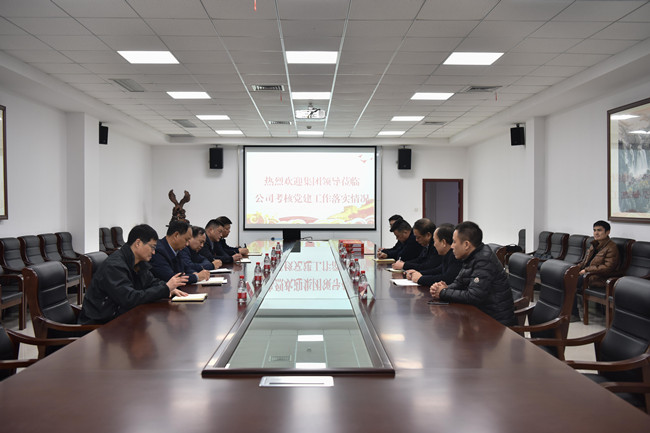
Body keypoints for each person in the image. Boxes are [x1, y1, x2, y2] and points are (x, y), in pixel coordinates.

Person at [78, 224, 189, 324]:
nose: (154, 252)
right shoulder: (114, 266)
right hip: (101, 325)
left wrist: (168, 288)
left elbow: (151, 282)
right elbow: (129, 298)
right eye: (152, 247)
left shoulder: (139, 262)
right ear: (138, 243)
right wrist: (165, 288)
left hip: (121, 316)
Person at [430, 221, 515, 326]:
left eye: (454, 242)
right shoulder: (471, 256)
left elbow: (473, 296)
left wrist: (443, 292)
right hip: (480, 316)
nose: (451, 246)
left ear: (466, 244)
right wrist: (442, 288)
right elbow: (459, 283)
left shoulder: (484, 260)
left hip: (495, 323)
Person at [571, 220, 619, 321]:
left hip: (599, 277)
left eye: (599, 230)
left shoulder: (612, 247)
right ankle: (562, 310)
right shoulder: (594, 244)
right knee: (565, 276)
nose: (596, 233)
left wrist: (586, 270)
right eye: (594, 230)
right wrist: (575, 269)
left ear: (608, 232)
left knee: (571, 283)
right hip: (587, 274)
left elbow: (608, 267)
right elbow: (584, 262)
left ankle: (574, 315)